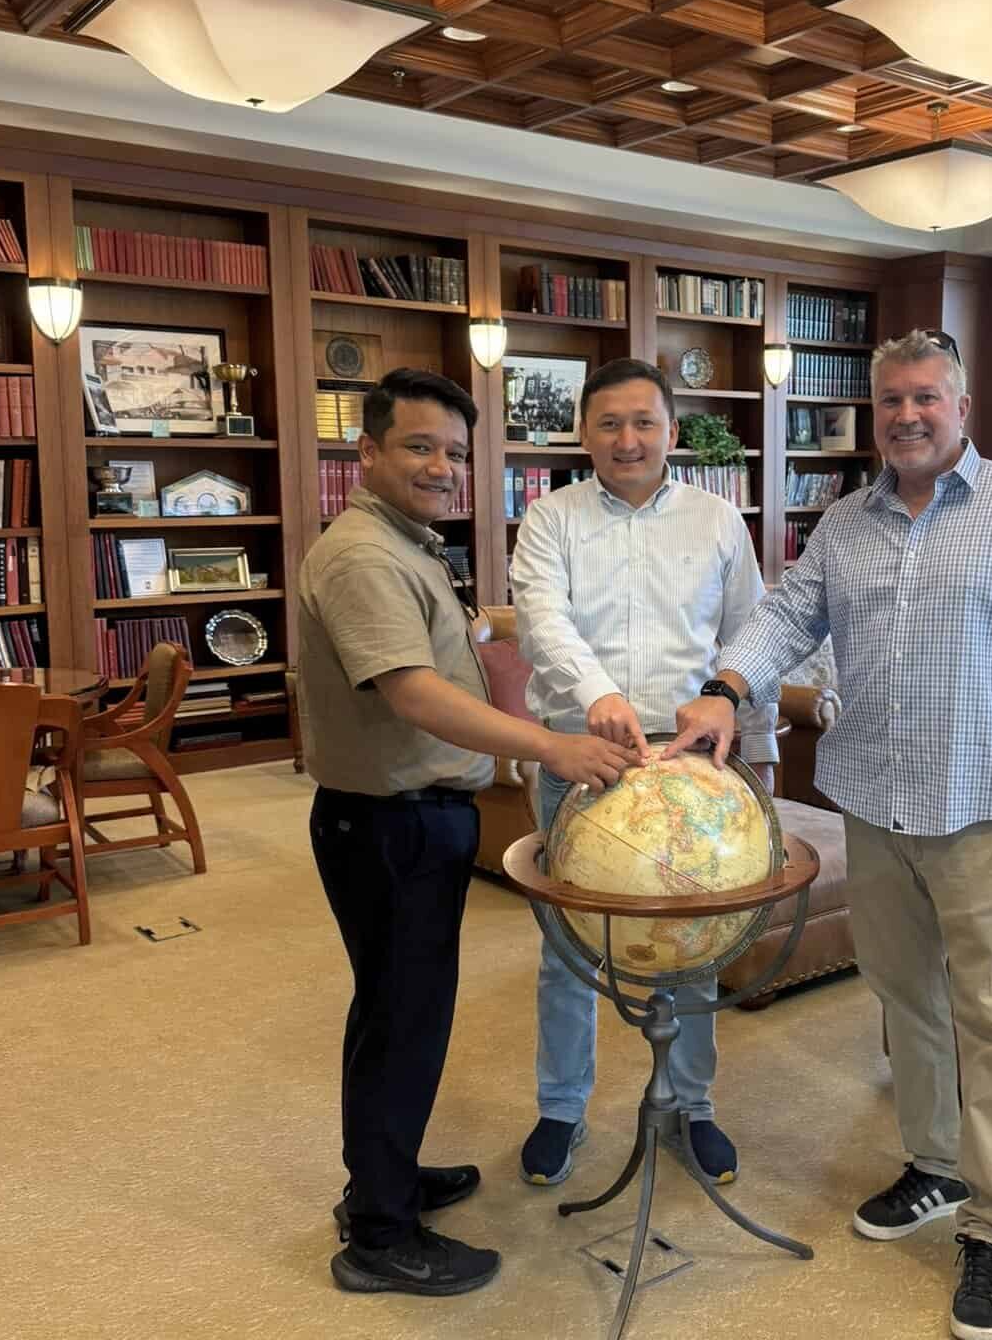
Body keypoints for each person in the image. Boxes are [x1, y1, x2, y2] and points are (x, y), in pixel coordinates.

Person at [666, 330, 992, 1340]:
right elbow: (786, 618)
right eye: (892, 403)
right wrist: (722, 690)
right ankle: (935, 1166)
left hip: (981, 808)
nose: (908, 417)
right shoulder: (844, 523)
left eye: (927, 399)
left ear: (962, 408)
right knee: (906, 1000)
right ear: (876, 416)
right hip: (871, 802)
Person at [297, 368, 637, 1300]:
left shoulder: (403, 543)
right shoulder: (364, 555)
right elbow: (413, 693)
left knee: (396, 1014)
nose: (442, 467)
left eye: (454, 451)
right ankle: (379, 1234)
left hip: (404, 819)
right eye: (418, 447)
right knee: (404, 1022)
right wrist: (548, 746)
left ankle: (385, 1176)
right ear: (364, 452)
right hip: (390, 825)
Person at [510, 357, 778, 1188]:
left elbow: (749, 635)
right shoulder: (548, 519)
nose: (628, 440)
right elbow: (542, 624)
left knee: (693, 950)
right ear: (583, 433)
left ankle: (690, 1108)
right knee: (566, 952)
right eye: (609, 424)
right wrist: (599, 697)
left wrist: (737, 721)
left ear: (672, 430)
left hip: (688, 763)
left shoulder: (718, 519)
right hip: (585, 761)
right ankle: (561, 1108)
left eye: (644, 423)